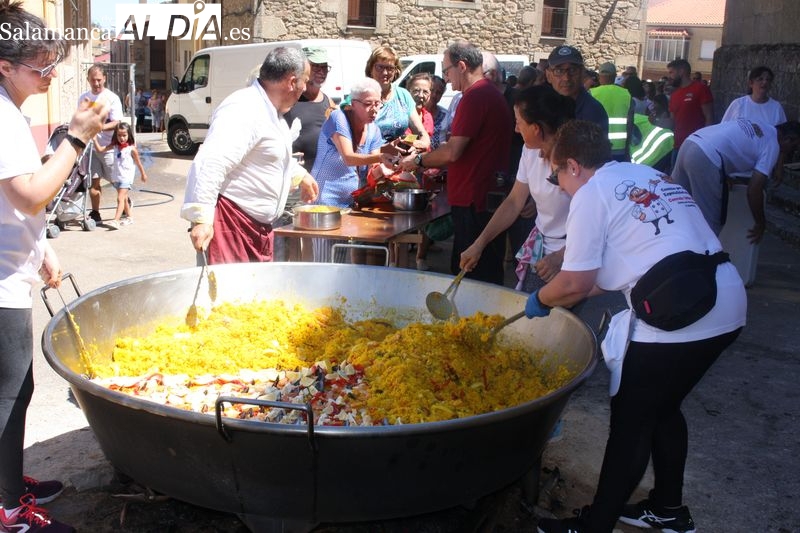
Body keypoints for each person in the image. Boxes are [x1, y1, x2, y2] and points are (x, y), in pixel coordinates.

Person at [531, 120, 746, 533]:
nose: (557, 184)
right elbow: (615, 268)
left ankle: (596, 525)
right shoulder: (644, 174)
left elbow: (574, 284)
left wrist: (540, 299)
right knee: (662, 408)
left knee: (631, 420)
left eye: (555, 173)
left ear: (573, 165)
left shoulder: (591, 194)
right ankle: (667, 508)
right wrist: (561, 292)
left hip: (680, 314)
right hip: (725, 297)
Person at [0, 2, 107, 531]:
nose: (50, 76)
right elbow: (31, 192)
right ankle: (8, 511)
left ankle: (9, 482)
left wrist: (41, 248)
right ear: (5, 65)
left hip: (12, 265)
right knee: (11, 393)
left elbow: (17, 201)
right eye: (41, 67)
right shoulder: (0, 113)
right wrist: (77, 136)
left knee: (13, 391)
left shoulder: (8, 110)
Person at [181, 46, 319, 265]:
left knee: (253, 297)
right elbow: (211, 162)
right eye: (306, 81)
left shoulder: (272, 112)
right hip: (231, 225)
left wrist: (299, 175)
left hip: (256, 228)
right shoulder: (244, 108)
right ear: (292, 82)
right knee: (229, 297)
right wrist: (201, 219)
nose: (306, 88)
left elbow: (268, 154)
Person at [399, 40, 513, 285]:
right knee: (478, 272)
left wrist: (417, 161)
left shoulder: (475, 96)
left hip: (476, 199)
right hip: (479, 196)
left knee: (471, 275)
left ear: (461, 66)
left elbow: (453, 151)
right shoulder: (484, 94)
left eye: (446, 70)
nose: (446, 78)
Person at [460, 85, 575, 293]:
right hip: (543, 249)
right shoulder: (530, 151)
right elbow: (514, 202)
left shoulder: (575, 160)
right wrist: (479, 244)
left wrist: (561, 257)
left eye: (519, 123)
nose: (515, 129)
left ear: (536, 129)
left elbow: (596, 221)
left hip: (575, 253)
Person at [671, 119, 800, 243]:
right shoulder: (773, 146)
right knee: (709, 227)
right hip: (705, 157)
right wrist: (761, 223)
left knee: (675, 208)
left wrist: (723, 174)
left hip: (690, 142)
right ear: (789, 139)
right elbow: (754, 190)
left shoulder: (761, 125)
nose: (792, 152)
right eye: (794, 147)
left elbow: (730, 141)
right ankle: (699, 263)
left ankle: (668, 254)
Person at [310, 77, 390, 262]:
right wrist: (380, 158)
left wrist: (390, 170)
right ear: (354, 104)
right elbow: (348, 158)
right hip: (325, 200)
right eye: (368, 104)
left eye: (378, 103)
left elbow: (373, 169)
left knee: (342, 262)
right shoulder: (338, 118)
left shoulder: (374, 130)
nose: (375, 109)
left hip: (350, 201)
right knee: (324, 261)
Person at [78, 63, 123, 224]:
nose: (96, 83)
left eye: (99, 80)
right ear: (88, 80)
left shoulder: (112, 98)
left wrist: (100, 127)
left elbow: (117, 122)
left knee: (116, 180)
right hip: (90, 147)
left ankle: (125, 203)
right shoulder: (84, 98)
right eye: (93, 80)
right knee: (93, 182)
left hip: (108, 147)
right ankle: (95, 212)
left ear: (104, 79)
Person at [365, 45, 430, 150]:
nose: (385, 72)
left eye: (390, 68)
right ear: (371, 69)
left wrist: (417, 145)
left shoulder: (403, 95)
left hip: (399, 160)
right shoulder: (361, 94)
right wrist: (386, 149)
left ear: (396, 71)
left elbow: (421, 134)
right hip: (370, 160)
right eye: (380, 67)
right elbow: (354, 142)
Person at [283, 46, 337, 173]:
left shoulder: (329, 102)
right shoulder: (290, 98)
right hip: (293, 176)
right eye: (316, 66)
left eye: (324, 67)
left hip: (320, 177)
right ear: (303, 68)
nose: (321, 71)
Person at [92, 122, 148, 229]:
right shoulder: (115, 146)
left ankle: (116, 220)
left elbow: (138, 162)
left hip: (126, 177)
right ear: (115, 135)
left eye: (124, 135)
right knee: (125, 199)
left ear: (129, 135)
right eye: (119, 135)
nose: (122, 138)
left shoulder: (131, 149)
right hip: (117, 176)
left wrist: (143, 174)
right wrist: (94, 140)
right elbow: (100, 149)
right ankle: (129, 217)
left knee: (120, 198)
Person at [546, 45, 608, 134]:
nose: (566, 78)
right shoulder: (545, 106)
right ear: (548, 76)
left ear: (582, 73)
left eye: (572, 70)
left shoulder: (592, 111)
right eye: (559, 71)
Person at [666, 58, 713, 166]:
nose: (670, 76)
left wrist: (705, 144)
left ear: (681, 71)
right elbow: (673, 122)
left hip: (696, 147)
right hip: (677, 147)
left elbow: (709, 118)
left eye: (671, 72)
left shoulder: (700, 88)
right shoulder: (674, 95)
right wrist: (657, 121)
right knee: (674, 181)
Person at [590, 62, 634, 162]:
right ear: (614, 76)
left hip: (597, 147)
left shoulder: (592, 93)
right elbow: (630, 124)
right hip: (620, 149)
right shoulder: (626, 94)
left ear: (599, 76)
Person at [721, 66, 787, 126]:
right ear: (751, 83)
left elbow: (783, 134)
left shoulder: (776, 108)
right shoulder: (738, 104)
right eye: (760, 79)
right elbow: (723, 128)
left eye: (768, 79)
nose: (765, 82)